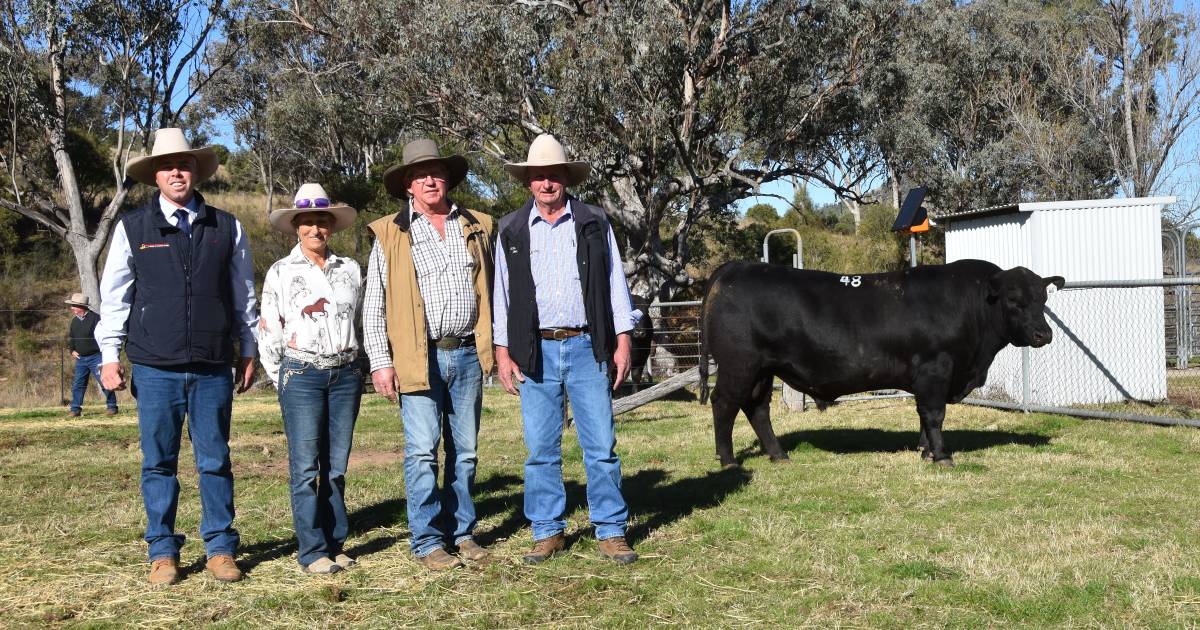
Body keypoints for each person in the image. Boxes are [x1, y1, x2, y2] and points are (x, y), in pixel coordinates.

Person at [95, 128, 258, 586]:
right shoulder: (132, 228)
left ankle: (221, 548)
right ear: (155, 176)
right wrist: (110, 355)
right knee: (158, 462)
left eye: (183, 165)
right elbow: (115, 297)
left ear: (195, 171)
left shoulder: (227, 226)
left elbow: (244, 294)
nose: (176, 172)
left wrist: (248, 348)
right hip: (154, 365)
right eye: (167, 166)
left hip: (212, 366)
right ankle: (162, 552)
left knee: (215, 459)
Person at [493, 133, 641, 565]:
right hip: (535, 351)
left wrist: (623, 339)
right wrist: (503, 351)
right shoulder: (511, 229)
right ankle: (547, 530)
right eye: (539, 176)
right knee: (540, 448)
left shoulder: (593, 221)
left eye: (553, 175)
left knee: (600, 444)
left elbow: (616, 283)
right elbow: (501, 295)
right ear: (528, 182)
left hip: (587, 346)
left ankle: (611, 530)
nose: (546, 184)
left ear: (565, 179)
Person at [362, 138, 496, 570]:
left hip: (467, 355)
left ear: (448, 179)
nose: (430, 180)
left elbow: (494, 290)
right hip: (417, 358)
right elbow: (374, 304)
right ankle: (426, 540)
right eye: (421, 175)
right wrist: (380, 362)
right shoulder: (391, 233)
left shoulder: (476, 226)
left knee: (467, 451)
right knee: (422, 451)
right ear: (408, 186)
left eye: (437, 173)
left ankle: (463, 532)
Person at [258, 183, 363, 575]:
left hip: (346, 374)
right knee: (305, 467)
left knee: (335, 467)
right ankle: (311, 550)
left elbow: (360, 320)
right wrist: (282, 376)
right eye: (307, 223)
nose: (315, 230)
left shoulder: (350, 269)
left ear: (331, 227)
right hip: (301, 374)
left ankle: (336, 543)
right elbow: (269, 328)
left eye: (322, 222)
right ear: (296, 227)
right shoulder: (281, 272)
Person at [65, 292, 118, 417]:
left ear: (81, 306)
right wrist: (72, 350)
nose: (72, 308)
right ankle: (75, 409)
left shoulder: (96, 319)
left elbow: (104, 336)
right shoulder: (74, 322)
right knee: (78, 384)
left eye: (74, 305)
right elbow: (72, 338)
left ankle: (112, 407)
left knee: (104, 381)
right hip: (81, 359)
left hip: (96, 357)